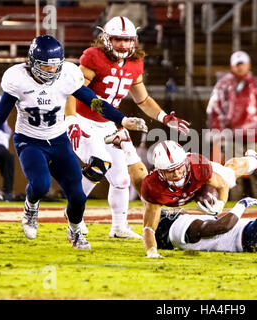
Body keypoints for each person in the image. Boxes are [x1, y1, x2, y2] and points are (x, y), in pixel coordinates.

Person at [0, 35, 147, 250]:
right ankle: (30, 208)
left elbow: (93, 101)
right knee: (40, 185)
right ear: (32, 62)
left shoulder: (67, 74)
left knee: (77, 195)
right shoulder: (17, 78)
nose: (52, 71)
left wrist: (121, 119)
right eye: (46, 67)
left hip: (58, 140)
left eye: (55, 66)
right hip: (29, 141)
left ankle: (75, 231)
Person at [68, 16, 190, 238]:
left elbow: (143, 100)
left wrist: (164, 118)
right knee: (98, 165)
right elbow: (75, 91)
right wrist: (71, 120)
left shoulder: (135, 63)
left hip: (108, 124)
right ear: (106, 39)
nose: (123, 45)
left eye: (127, 40)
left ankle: (118, 227)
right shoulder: (93, 57)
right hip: (85, 120)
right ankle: (73, 212)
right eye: (117, 40)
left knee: (122, 180)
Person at [104, 134, 257, 258]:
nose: (177, 173)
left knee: (229, 175)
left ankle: (253, 160)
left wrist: (220, 206)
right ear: (160, 172)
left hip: (199, 182)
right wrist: (151, 252)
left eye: (179, 167)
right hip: (169, 190)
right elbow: (149, 228)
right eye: (171, 171)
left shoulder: (197, 166)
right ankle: (126, 145)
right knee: (143, 190)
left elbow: (221, 185)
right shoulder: (154, 186)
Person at [206, 50, 257, 201]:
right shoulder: (223, 86)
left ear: (248, 64)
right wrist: (218, 135)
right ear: (232, 66)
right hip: (232, 137)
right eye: (236, 64)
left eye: (242, 64)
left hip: (255, 137)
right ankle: (231, 205)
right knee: (232, 174)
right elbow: (214, 110)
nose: (240, 67)